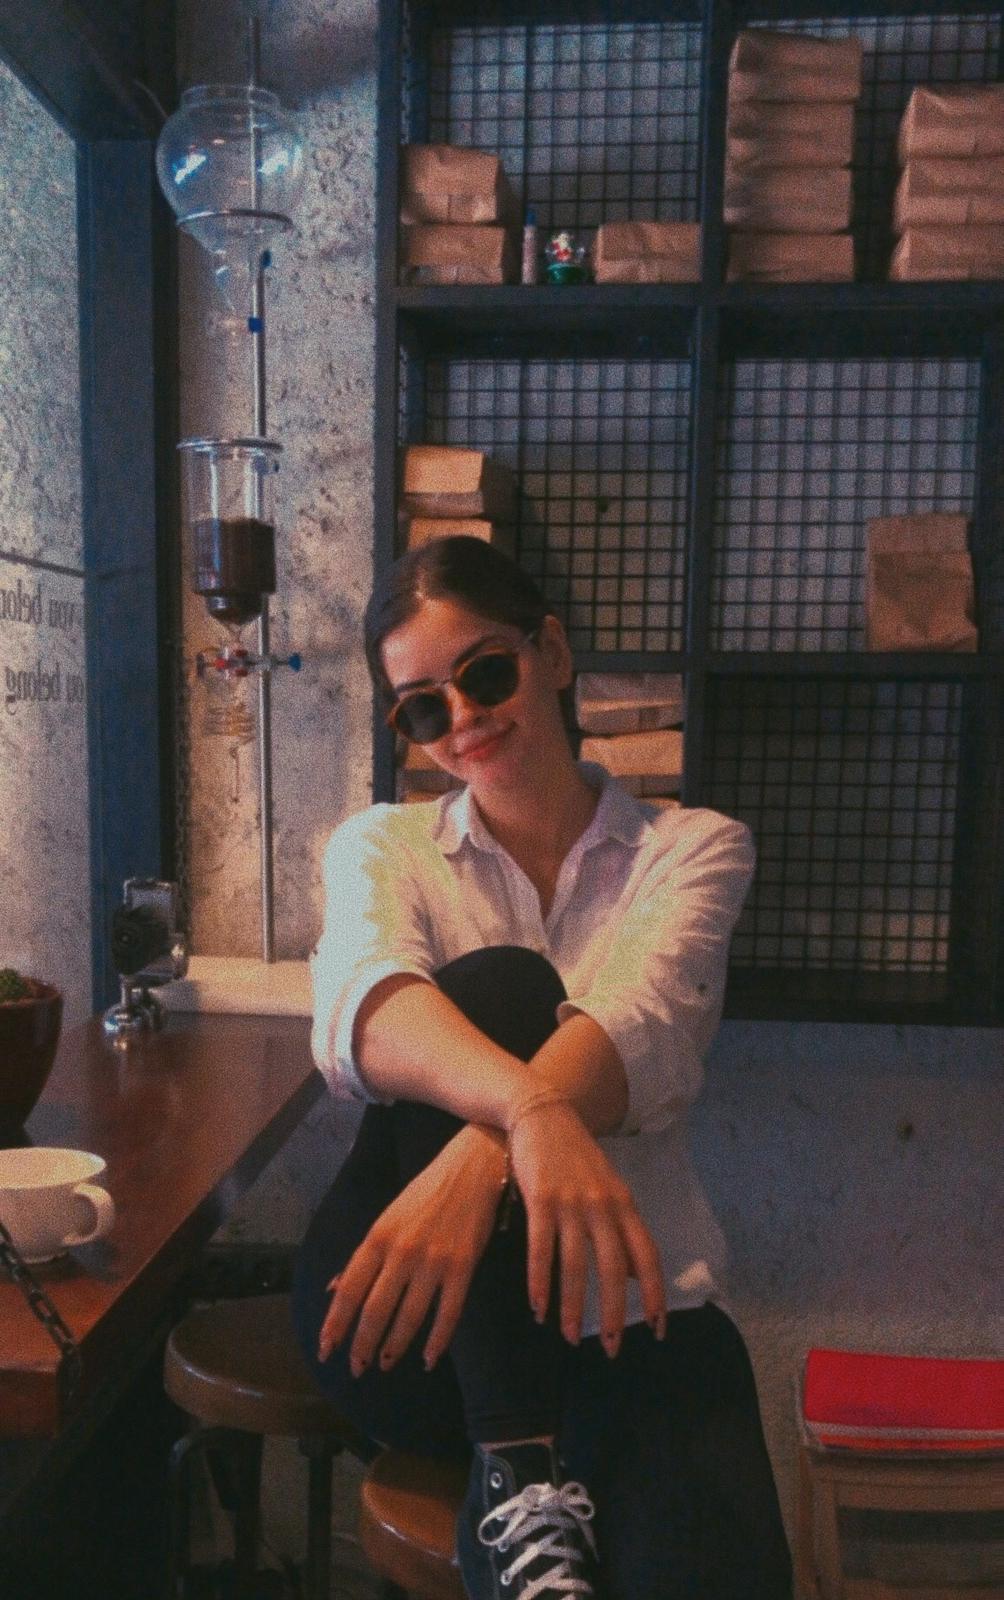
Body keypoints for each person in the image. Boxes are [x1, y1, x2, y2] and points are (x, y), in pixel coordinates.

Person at [294, 536, 792, 1599]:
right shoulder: (383, 846)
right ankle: (512, 1460)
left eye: (484, 673)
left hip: (623, 1315)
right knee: (504, 989)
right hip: (409, 1324)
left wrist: (488, 1148)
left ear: (551, 653)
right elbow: (363, 1016)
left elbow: (640, 1022)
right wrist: (532, 1109)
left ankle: (533, 1473)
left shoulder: (694, 849)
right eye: (422, 708)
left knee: (710, 1531)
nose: (462, 719)